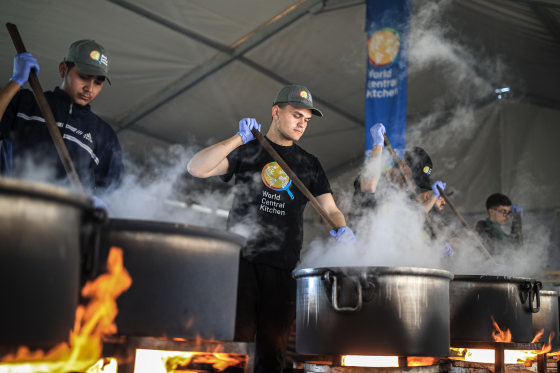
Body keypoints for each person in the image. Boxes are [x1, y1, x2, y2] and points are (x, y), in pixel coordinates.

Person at [187, 84, 355, 373]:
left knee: (272, 354)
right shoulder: (250, 149)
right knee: (234, 349)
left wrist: (342, 228)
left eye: (306, 120)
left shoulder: (310, 164)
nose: (302, 123)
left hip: (283, 269)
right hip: (242, 263)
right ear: (276, 112)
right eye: (296, 115)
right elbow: (197, 169)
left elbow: (330, 210)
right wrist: (237, 139)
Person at [0, 40, 124, 196]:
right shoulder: (24, 103)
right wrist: (15, 81)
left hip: (66, 218)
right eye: (84, 77)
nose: (89, 88)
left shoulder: (105, 135)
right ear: (63, 69)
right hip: (9, 211)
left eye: (98, 82)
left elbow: (115, 193)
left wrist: (99, 206)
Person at [349, 122, 447, 224]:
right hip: (360, 236)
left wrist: (434, 197)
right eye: (413, 178)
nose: (412, 185)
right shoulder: (376, 177)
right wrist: (378, 144)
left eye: (416, 182)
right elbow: (369, 186)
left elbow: (416, 218)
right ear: (403, 165)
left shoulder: (404, 194)